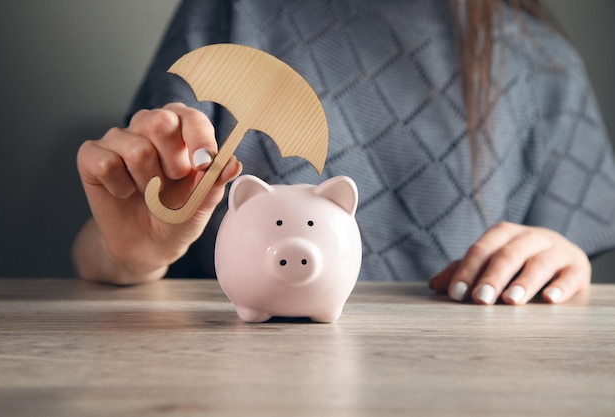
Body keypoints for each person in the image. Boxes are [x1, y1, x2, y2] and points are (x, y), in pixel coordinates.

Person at [72, 0, 615, 306]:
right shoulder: (229, 12)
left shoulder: (543, 63)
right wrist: (132, 254)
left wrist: (556, 266)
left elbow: (567, 281)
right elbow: (107, 239)